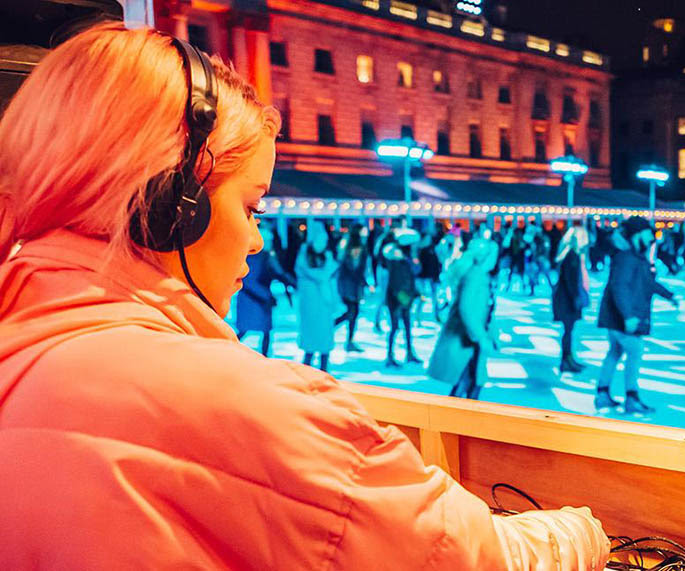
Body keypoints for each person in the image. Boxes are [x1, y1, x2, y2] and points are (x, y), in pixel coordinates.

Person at [0, 23, 610, 569]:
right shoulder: (246, 409)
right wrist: (583, 532)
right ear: (171, 205)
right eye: (250, 204)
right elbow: (464, 555)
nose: (259, 240)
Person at [595, 216, 679, 414]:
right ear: (637, 235)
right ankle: (631, 397)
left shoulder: (633, 255)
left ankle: (602, 393)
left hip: (617, 316)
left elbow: (646, 283)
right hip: (622, 317)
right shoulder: (627, 257)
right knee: (635, 351)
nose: (652, 239)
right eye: (648, 235)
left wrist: (668, 295)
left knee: (615, 352)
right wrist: (628, 316)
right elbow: (620, 287)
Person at [429, 238, 498, 400]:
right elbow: (466, 308)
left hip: (466, 336)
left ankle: (460, 419)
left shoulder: (474, 273)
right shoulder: (476, 276)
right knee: (469, 382)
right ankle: (458, 420)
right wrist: (481, 336)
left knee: (468, 381)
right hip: (466, 338)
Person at [236, 223, 296, 356]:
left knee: (263, 330)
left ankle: (263, 355)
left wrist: (292, 282)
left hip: (258, 298)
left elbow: (278, 272)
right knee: (251, 329)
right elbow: (250, 280)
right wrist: (266, 296)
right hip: (253, 299)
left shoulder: (264, 256)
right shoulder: (254, 258)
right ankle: (232, 351)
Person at [295, 221, 338, 371]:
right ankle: (306, 370)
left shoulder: (327, 257)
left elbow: (329, 277)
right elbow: (308, 274)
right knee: (310, 341)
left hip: (324, 306)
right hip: (310, 304)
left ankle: (323, 370)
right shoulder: (304, 255)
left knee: (324, 341)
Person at [552, 226, 590, 374]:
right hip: (567, 299)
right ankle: (566, 360)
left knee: (569, 330)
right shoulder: (571, 256)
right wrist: (575, 298)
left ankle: (568, 359)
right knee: (568, 330)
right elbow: (570, 280)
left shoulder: (568, 254)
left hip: (566, 298)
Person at [384, 228, 422, 367]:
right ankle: (390, 355)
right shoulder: (397, 259)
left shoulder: (405, 259)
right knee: (395, 327)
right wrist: (401, 298)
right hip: (397, 298)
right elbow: (397, 281)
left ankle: (408, 352)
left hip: (404, 296)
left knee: (406, 325)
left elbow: (415, 272)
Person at [334, 224, 369, 352]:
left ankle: (349, 340)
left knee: (352, 312)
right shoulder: (354, 246)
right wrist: (361, 279)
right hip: (351, 285)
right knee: (352, 312)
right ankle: (337, 331)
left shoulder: (346, 244)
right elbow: (353, 266)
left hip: (349, 284)